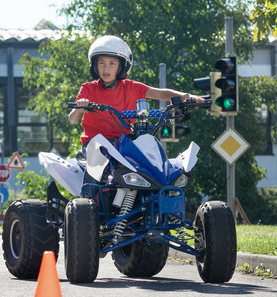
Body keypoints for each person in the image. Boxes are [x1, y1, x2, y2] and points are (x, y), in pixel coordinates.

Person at [69, 35, 204, 191]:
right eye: (101, 63)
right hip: (96, 144)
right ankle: (87, 200)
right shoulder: (88, 89)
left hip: (125, 142)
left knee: (151, 161)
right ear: (94, 66)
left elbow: (160, 94)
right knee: (98, 163)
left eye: (112, 64)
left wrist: (186, 97)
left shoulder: (132, 87)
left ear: (122, 67)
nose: (106, 68)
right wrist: (80, 106)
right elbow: (73, 119)